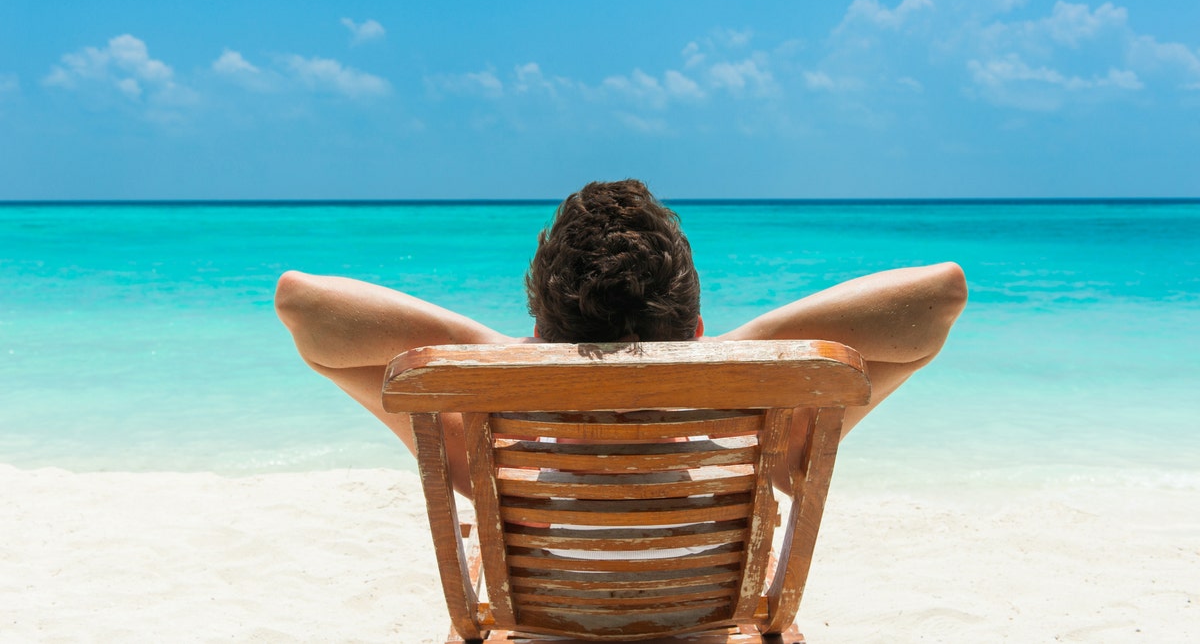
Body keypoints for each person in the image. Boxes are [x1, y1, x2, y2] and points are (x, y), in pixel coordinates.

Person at [275, 180, 967, 494]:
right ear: (695, 329)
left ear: (541, 330)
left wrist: (508, 357)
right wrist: (734, 349)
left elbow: (303, 307)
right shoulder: (760, 437)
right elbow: (940, 297)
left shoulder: (490, 441)